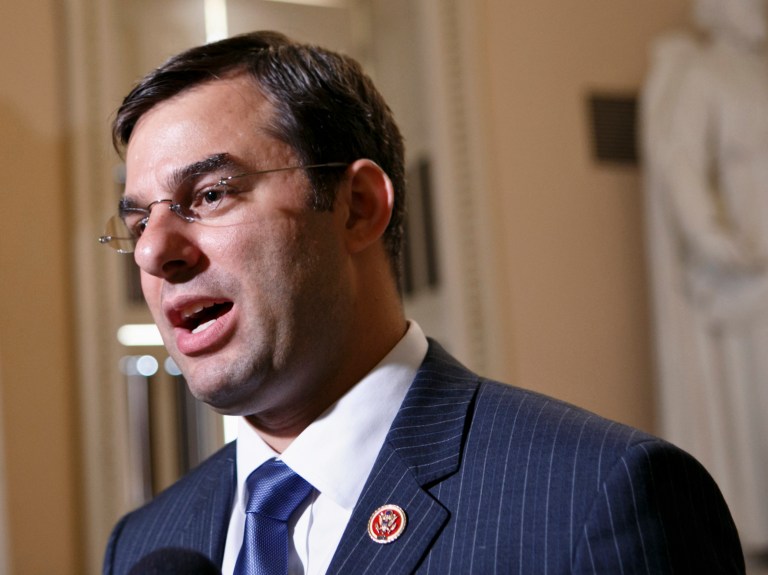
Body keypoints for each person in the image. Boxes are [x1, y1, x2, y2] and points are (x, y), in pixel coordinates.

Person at [101, 31, 744, 574]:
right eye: (138, 224)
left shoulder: (599, 497)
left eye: (211, 195)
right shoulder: (144, 543)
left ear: (358, 207)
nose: (153, 252)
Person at [642, 0, 768, 555]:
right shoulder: (700, 73)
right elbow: (681, 164)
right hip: (748, 279)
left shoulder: (759, 73)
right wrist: (718, 240)